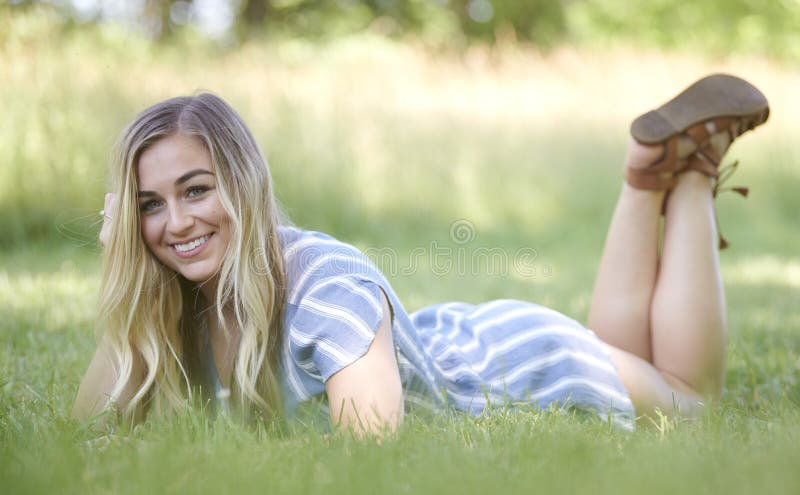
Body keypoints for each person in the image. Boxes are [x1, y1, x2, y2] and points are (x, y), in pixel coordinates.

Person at [71, 74, 769, 434]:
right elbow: (86, 432)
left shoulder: (324, 288)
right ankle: (648, 170)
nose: (177, 222)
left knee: (688, 397)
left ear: (243, 184)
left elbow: (369, 446)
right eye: (149, 205)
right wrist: (120, 267)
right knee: (625, 347)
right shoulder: (180, 294)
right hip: (461, 339)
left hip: (517, 367)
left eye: (196, 190)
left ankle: (694, 173)